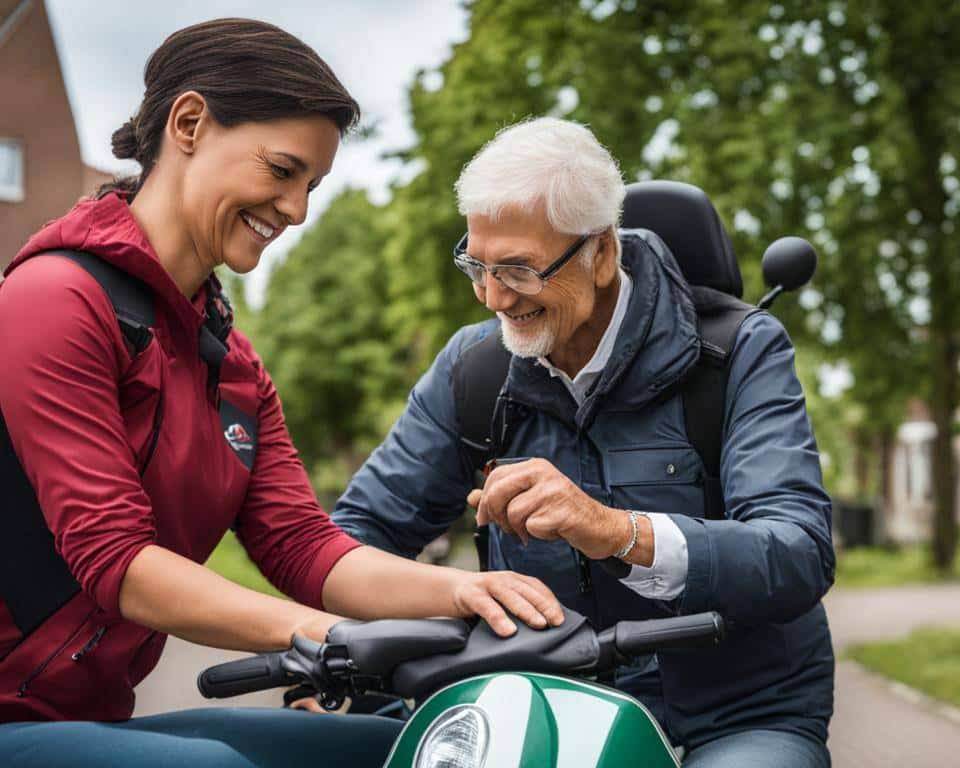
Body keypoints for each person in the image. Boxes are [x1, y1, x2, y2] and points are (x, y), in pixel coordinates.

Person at [0, 19, 561, 768]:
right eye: (281, 170)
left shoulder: (232, 364)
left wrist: (464, 593)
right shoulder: (52, 299)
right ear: (190, 123)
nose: (296, 211)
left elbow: (306, 547)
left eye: (312, 186)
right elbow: (119, 562)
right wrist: (326, 635)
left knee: (410, 748)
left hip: (85, 719)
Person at [333, 117, 836, 767]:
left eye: (517, 269)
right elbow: (356, 539)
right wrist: (348, 638)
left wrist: (618, 531)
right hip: (538, 711)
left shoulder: (740, 352)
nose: (491, 297)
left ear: (602, 253)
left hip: (736, 717)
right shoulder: (473, 369)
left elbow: (798, 552)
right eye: (476, 265)